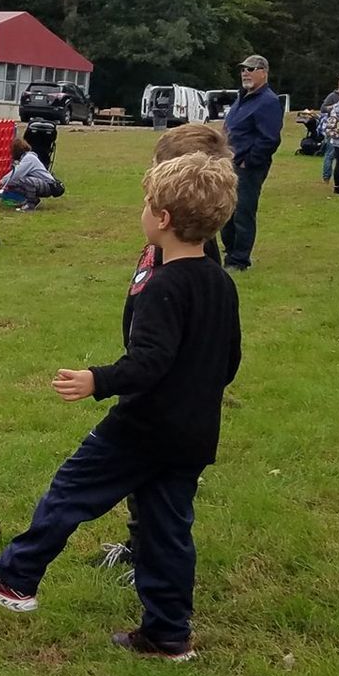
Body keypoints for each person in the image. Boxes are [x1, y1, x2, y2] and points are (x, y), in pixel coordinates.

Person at [0, 152, 241, 661]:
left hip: (142, 429)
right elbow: (230, 359)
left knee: (69, 493)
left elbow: (149, 362)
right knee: (166, 532)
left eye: (146, 204)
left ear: (163, 219)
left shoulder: (164, 287)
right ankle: (167, 635)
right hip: (194, 432)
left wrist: (98, 380)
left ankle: (15, 576)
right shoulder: (221, 281)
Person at [89, 122, 230, 576]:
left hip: (166, 390)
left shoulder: (199, 261)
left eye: (159, 171)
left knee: (157, 482)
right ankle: (140, 546)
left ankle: (151, 557)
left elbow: (213, 347)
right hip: (147, 372)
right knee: (145, 479)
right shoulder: (165, 245)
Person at [219, 54, 283, 272]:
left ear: (263, 72)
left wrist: (249, 161)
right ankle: (230, 251)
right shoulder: (243, 97)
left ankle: (239, 259)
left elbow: (270, 138)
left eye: (251, 68)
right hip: (228, 162)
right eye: (243, 69)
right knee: (225, 209)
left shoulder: (268, 101)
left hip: (246, 167)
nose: (245, 72)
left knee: (242, 211)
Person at [0, 136, 60, 210]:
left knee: (22, 180)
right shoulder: (26, 158)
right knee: (14, 183)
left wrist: (2, 182)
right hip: (41, 183)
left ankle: (31, 203)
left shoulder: (29, 158)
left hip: (49, 185)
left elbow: (16, 173)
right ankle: (30, 200)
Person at [318, 75, 339, 185]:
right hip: (334, 127)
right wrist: (335, 106)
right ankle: (326, 177)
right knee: (330, 153)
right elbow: (323, 108)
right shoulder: (332, 96)